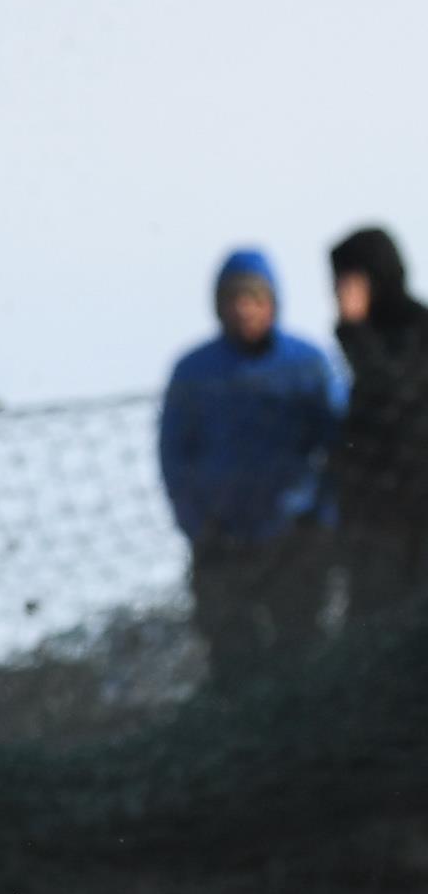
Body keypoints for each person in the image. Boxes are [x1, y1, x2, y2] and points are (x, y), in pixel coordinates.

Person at [157, 248, 342, 687]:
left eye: (254, 298)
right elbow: (173, 458)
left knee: (304, 653)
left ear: (273, 303)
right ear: (218, 305)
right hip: (222, 544)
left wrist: (322, 518)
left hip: (297, 540)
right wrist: (199, 526)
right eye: (234, 299)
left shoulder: (308, 365)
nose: (244, 309)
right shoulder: (193, 373)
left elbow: (340, 442)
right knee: (233, 662)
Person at [329, 226, 428, 620]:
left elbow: (391, 393)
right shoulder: (377, 333)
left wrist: (353, 328)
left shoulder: (417, 327)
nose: (338, 292)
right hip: (375, 526)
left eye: (348, 280)